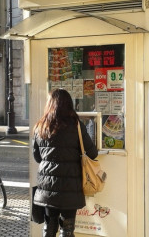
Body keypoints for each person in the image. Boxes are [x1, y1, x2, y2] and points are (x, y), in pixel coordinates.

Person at [32, 89, 98, 237]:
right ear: (69, 104)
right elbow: (92, 153)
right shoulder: (76, 126)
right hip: (70, 188)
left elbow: (37, 157)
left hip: (47, 187)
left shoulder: (40, 126)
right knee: (67, 231)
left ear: (49, 104)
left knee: (49, 228)